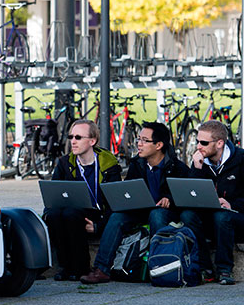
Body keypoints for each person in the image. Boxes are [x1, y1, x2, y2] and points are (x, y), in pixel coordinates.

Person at [80, 121, 190, 284]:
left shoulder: (177, 167)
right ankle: (101, 269)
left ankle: (158, 266)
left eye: (145, 140)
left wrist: (170, 199)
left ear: (159, 145)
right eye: (139, 139)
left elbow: (186, 194)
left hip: (166, 213)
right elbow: (129, 190)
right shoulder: (137, 164)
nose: (139, 144)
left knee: (156, 215)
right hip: (141, 209)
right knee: (117, 217)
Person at [44, 119, 122, 281]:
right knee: (54, 214)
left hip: (98, 213)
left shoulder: (108, 165)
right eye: (71, 137)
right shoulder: (65, 163)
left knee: (71, 214)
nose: (73, 141)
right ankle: (65, 267)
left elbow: (115, 203)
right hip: (72, 209)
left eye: (78, 137)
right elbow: (53, 194)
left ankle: (80, 267)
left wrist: (98, 226)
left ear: (92, 141)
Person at [181, 120, 244, 285]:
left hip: (236, 217)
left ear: (219, 143)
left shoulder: (241, 159)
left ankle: (225, 270)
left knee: (222, 217)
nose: (198, 146)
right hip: (210, 216)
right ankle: (205, 268)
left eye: (203, 143)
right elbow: (192, 193)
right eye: (197, 141)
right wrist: (197, 168)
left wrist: (232, 204)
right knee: (187, 215)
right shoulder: (200, 161)